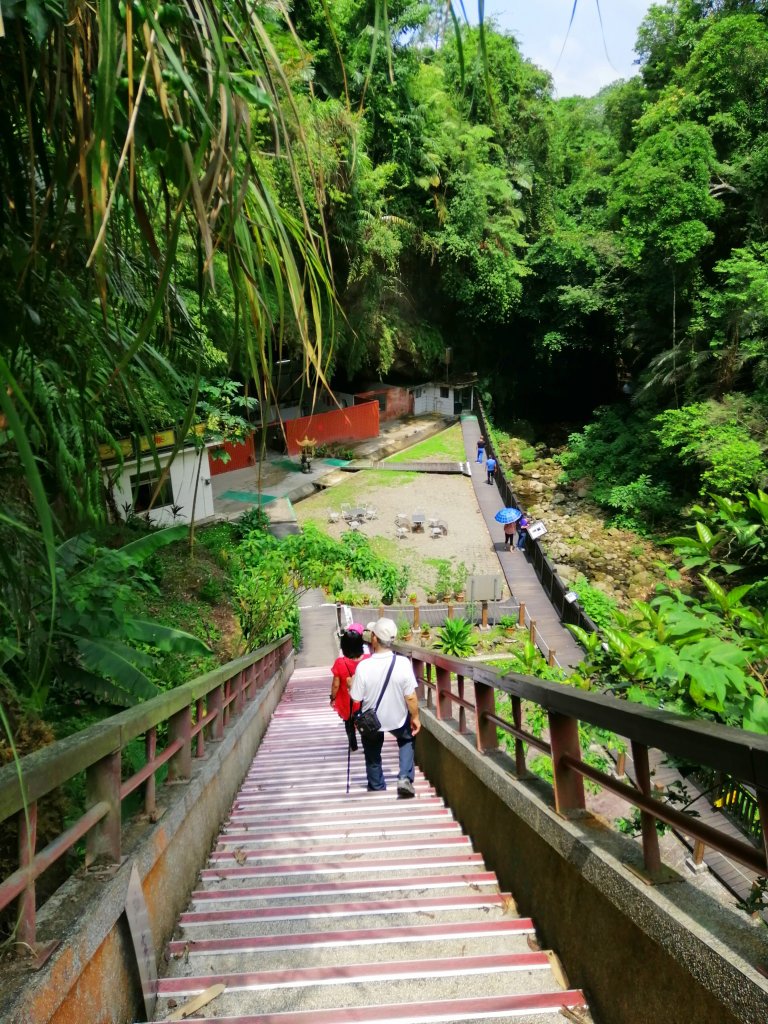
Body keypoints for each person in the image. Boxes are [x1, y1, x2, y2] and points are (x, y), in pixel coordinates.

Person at [349, 617, 421, 797]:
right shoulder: (403, 663)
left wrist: (351, 684)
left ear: (374, 638)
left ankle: (376, 787)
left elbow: (356, 697)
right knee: (406, 739)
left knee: (372, 753)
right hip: (397, 718)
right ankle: (404, 777)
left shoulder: (363, 666)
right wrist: (415, 717)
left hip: (372, 721)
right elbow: (411, 697)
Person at [329, 629, 368, 751]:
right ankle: (367, 744)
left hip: (348, 701)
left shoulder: (340, 663)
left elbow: (336, 684)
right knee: (365, 721)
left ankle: (353, 744)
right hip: (365, 699)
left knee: (349, 722)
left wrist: (333, 697)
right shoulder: (368, 659)